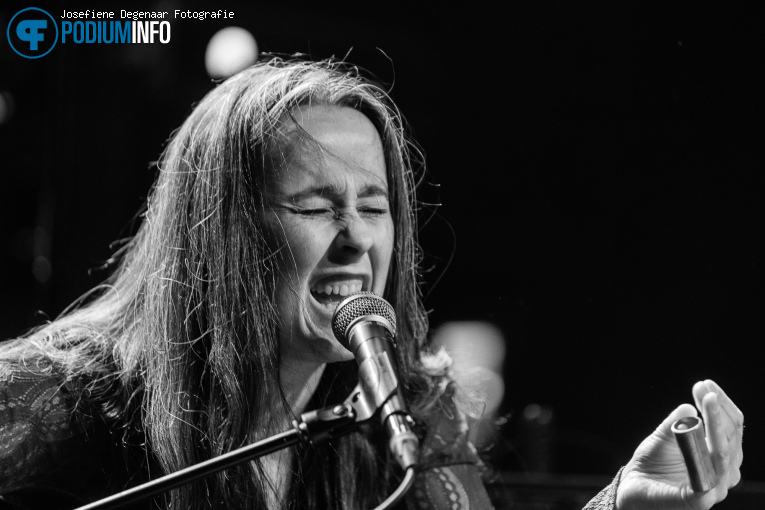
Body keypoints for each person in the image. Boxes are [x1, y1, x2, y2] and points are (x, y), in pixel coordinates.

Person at [0, 59, 743, 510]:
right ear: (221, 233)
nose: (357, 240)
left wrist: (626, 505)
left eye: (375, 207)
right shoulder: (49, 400)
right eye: (316, 207)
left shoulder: (412, 412)